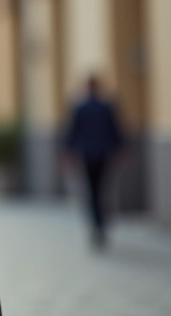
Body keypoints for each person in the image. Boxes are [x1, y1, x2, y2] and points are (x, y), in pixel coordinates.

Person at [62, 75, 124, 250]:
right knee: (102, 189)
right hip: (103, 153)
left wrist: (68, 153)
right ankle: (101, 223)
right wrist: (120, 149)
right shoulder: (106, 107)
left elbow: (73, 132)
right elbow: (115, 130)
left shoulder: (81, 107)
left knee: (92, 191)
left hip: (87, 154)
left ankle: (97, 225)